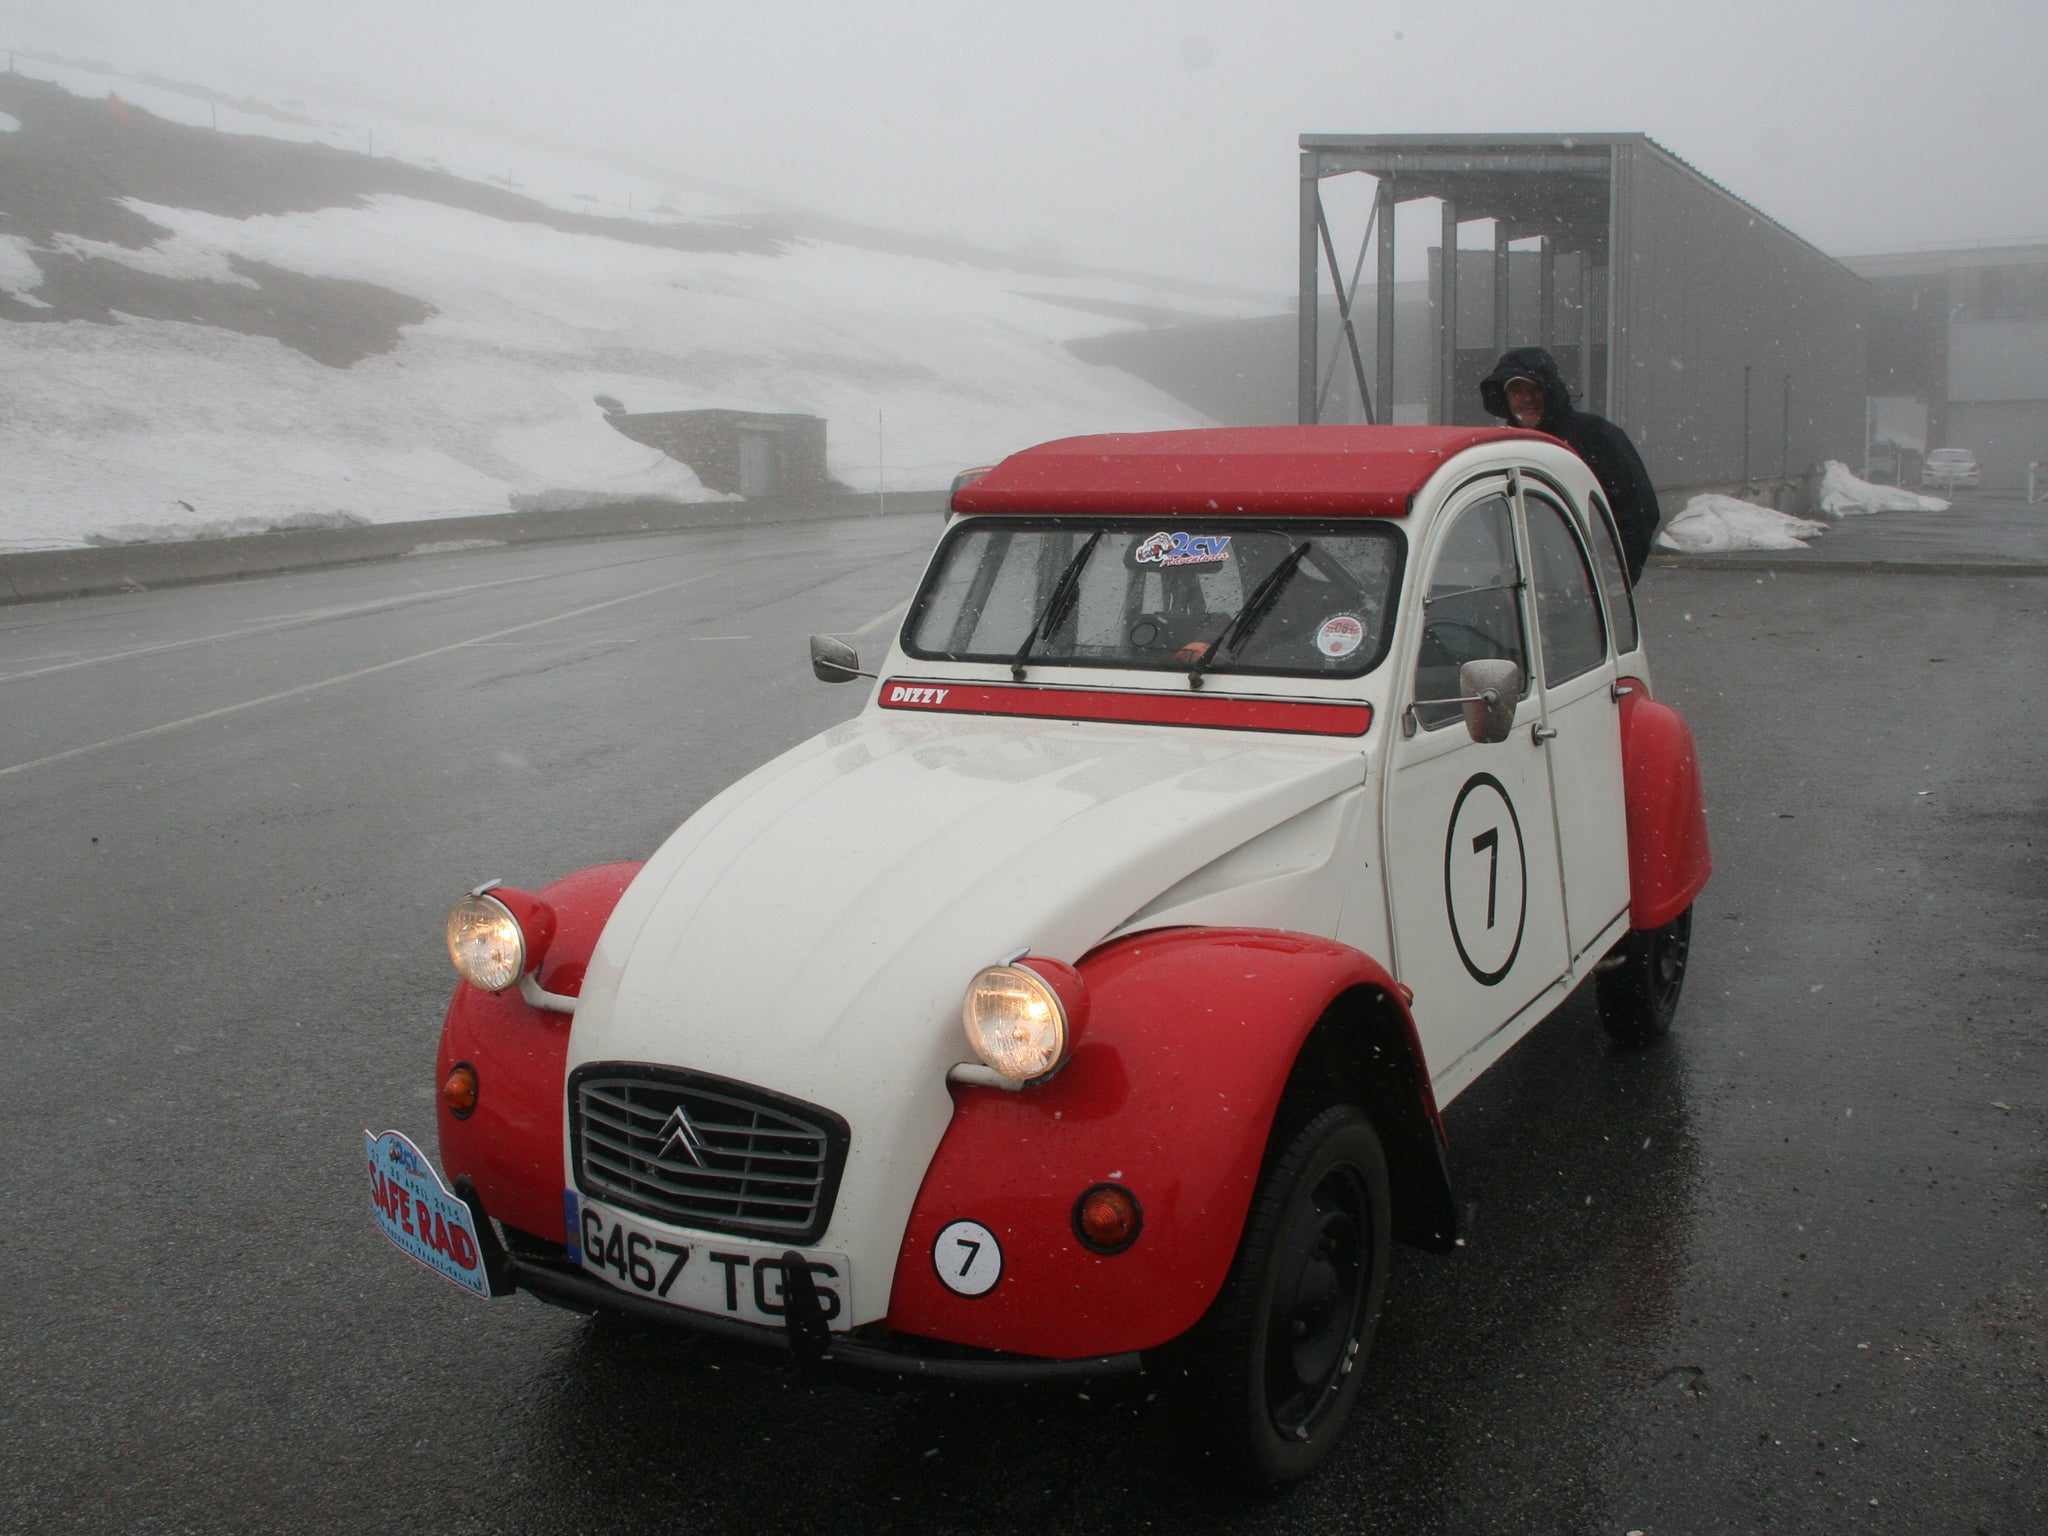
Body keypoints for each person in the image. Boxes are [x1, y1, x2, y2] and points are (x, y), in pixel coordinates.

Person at [1479, 346, 1660, 584]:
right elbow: (1493, 515)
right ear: (1505, 398)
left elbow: (1639, 509)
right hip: (1526, 590)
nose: (1527, 399)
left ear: (1550, 390)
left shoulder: (1596, 436)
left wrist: (1612, 575)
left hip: (1587, 591)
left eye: (1535, 389)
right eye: (1517, 391)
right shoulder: (1505, 447)